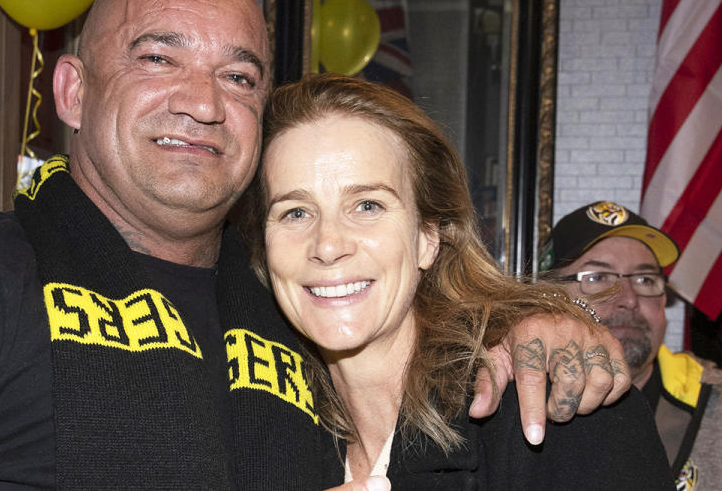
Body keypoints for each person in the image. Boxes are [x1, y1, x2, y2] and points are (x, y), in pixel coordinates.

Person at [0, 0, 626, 489]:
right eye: (158, 56)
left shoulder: (292, 304)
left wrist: (544, 319)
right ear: (70, 90)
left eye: (241, 76)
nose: (203, 102)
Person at [243, 73, 673, 488]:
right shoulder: (265, 425)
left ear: (429, 237)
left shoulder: (562, 408)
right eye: (294, 212)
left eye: (368, 205)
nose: (328, 244)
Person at [542, 200, 722, 490]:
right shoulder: (503, 404)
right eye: (597, 278)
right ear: (548, 297)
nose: (628, 299)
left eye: (644, 279)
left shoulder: (714, 406)